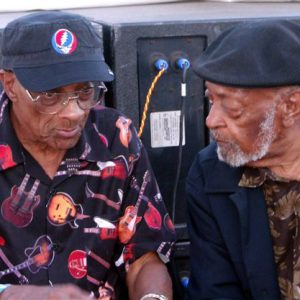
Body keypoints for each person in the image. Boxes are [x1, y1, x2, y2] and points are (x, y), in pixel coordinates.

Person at [0, 11, 176, 300]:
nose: (74, 112)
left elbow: (143, 257)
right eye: (50, 95)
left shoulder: (117, 138)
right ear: (9, 84)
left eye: (85, 92)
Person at [186, 19, 300, 300]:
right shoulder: (210, 173)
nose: (211, 121)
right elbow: (214, 292)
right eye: (211, 100)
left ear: (291, 107)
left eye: (233, 109)